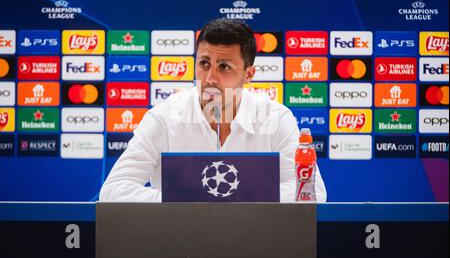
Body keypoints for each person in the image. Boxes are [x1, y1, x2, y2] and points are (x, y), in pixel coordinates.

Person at [99, 18, 327, 202]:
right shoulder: (163, 118)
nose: (210, 78)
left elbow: (310, 191)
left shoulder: (275, 119)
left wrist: (236, 201)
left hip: (255, 244)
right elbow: (113, 190)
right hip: (178, 243)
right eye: (204, 63)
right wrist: (183, 202)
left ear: (249, 74)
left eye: (224, 67)